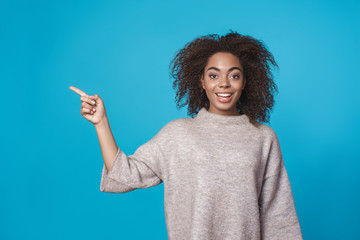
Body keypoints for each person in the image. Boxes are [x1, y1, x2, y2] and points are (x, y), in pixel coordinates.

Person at [69, 30, 303, 240]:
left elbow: (279, 217)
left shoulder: (263, 137)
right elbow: (124, 174)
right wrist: (101, 123)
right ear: (201, 81)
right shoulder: (178, 133)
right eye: (213, 75)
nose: (223, 84)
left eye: (234, 75)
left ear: (244, 82)